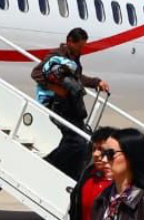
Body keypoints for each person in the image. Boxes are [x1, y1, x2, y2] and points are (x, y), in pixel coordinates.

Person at [31, 28, 110, 178]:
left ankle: (71, 178)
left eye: (83, 46)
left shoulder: (74, 57)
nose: (82, 49)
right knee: (75, 141)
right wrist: (55, 88)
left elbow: (78, 78)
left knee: (85, 142)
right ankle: (47, 164)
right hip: (55, 104)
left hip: (69, 106)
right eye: (79, 46)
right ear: (69, 42)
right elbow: (36, 73)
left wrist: (96, 82)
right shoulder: (56, 56)